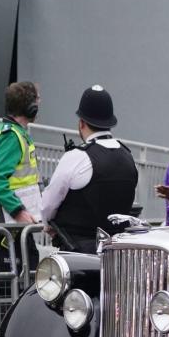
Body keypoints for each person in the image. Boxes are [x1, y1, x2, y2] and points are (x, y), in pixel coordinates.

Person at [41, 85, 138, 253]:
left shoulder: (77, 156)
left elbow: (47, 205)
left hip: (78, 255)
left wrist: (47, 223)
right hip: (117, 254)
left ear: (81, 123)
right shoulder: (128, 157)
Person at [0, 82, 44, 337]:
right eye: (37, 100)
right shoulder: (12, 136)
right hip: (9, 224)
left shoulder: (16, 133)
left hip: (17, 224)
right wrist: (19, 211)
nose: (40, 104)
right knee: (10, 285)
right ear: (30, 106)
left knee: (24, 278)